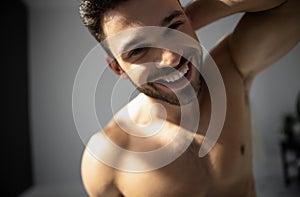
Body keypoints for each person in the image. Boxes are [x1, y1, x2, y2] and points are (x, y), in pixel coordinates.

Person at [78, 0, 300, 196]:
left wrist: (188, 18)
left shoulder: (230, 70)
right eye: (139, 50)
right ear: (118, 68)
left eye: (174, 27)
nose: (172, 57)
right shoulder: (106, 159)